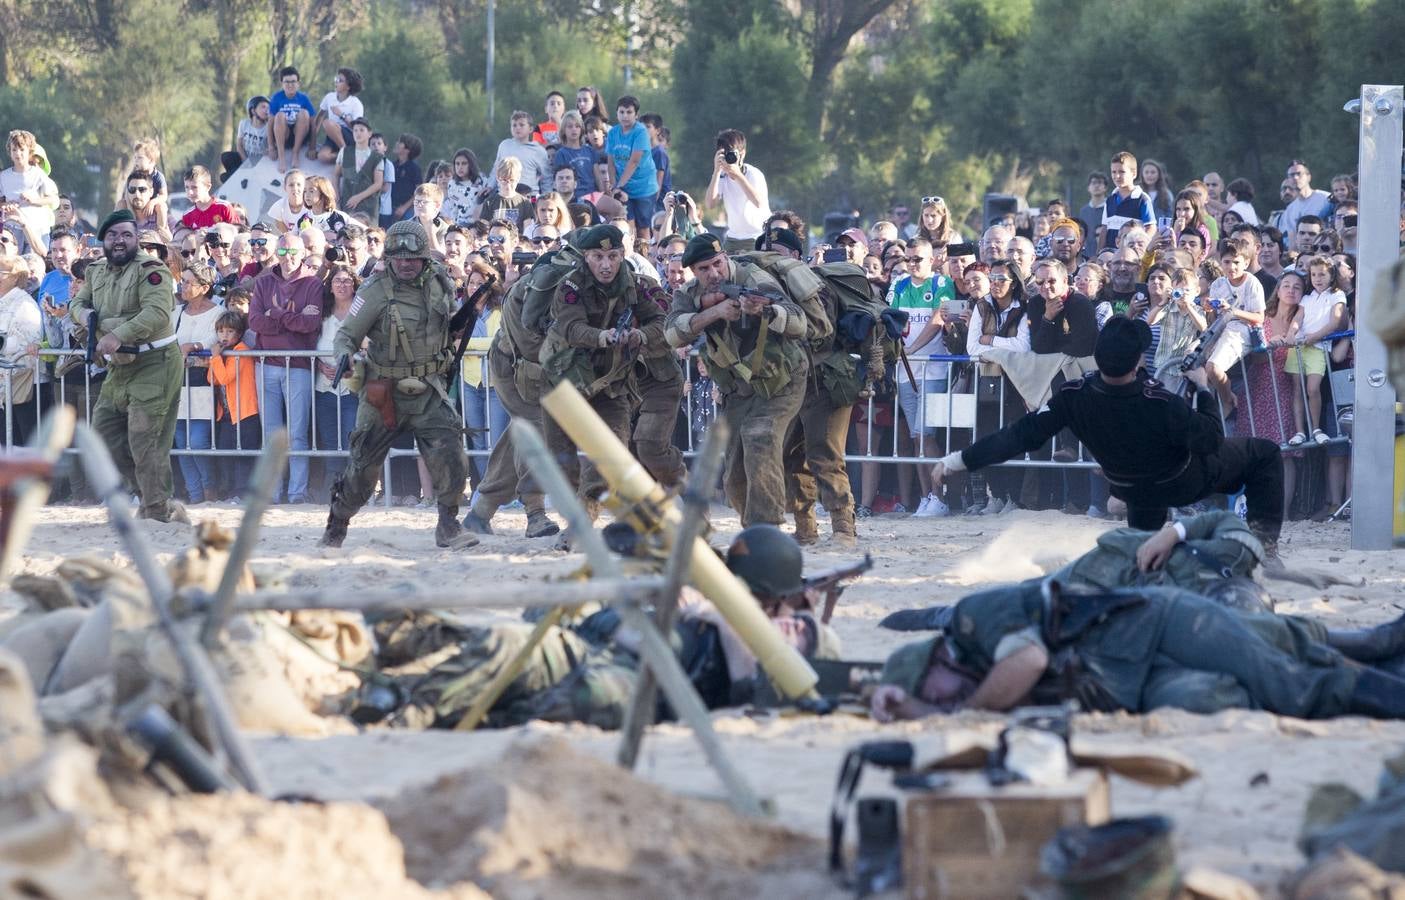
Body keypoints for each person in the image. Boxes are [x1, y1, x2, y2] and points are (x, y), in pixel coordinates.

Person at [369, 524, 838, 730]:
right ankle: (395, 680)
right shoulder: (711, 606)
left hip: (636, 683)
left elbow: (746, 681)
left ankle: (408, 711)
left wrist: (723, 612)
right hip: (599, 644)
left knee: (546, 682)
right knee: (497, 640)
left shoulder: (780, 637)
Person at [931, 315, 1285, 553]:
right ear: (1137, 362)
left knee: (1144, 547)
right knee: (1265, 453)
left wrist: (959, 459)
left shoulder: (1072, 396)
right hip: (1182, 478)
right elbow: (1209, 440)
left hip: (1131, 486)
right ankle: (1265, 548)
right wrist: (1204, 390)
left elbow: (1017, 436)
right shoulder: (1159, 400)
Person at [872, 566, 1405, 722]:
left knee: (1287, 681)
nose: (944, 701)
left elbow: (1029, 658)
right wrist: (922, 708)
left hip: (1164, 623)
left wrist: (961, 710)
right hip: (1134, 675)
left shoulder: (973, 622)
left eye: (935, 692)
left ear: (938, 661)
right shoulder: (972, 673)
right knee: (1221, 693)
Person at [319, 220, 476, 550]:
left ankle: (449, 524)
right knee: (362, 469)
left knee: (451, 455)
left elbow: (446, 321)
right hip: (383, 390)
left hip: (429, 388)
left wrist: (455, 329)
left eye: (412, 257)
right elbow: (346, 336)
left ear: (423, 258)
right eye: (398, 257)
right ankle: (337, 523)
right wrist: (345, 355)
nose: (405, 263)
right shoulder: (373, 291)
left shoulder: (439, 282)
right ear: (388, 257)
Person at [665, 234, 806, 526]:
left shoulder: (754, 278)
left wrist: (765, 311)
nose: (714, 273)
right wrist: (715, 311)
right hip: (740, 388)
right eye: (704, 269)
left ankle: (766, 528)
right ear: (694, 272)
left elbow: (798, 322)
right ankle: (752, 524)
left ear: (725, 257)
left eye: (717, 264)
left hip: (781, 379)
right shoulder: (690, 293)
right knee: (734, 477)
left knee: (760, 437)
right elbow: (672, 333)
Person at [536, 224, 677, 507]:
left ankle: (584, 518)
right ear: (585, 256)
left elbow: (661, 321)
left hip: (611, 384)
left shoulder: (636, 285)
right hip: (565, 382)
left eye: (613, 256)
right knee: (561, 461)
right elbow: (572, 328)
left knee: (611, 454)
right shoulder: (571, 286)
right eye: (597, 257)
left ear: (623, 254)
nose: (606, 265)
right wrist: (602, 337)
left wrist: (640, 335)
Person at [66, 210, 188, 522]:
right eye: (112, 235)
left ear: (135, 239)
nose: (119, 241)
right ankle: (151, 497)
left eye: (126, 234)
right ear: (103, 239)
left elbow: (158, 313)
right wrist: (88, 320)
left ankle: (157, 511)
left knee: (145, 438)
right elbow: (78, 303)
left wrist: (117, 333)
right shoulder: (96, 271)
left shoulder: (152, 269)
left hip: (155, 362)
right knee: (103, 437)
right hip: (118, 367)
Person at [249, 232, 324, 503]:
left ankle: (297, 492)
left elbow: (310, 326)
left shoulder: (312, 284)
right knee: (270, 434)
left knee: (297, 434)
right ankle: (271, 491)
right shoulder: (264, 282)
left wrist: (277, 314)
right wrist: (293, 318)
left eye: (292, 252)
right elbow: (255, 321)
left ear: (303, 253)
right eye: (282, 252)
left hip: (299, 366)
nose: (287, 258)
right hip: (266, 364)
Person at [171, 262, 223, 504]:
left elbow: (215, 338)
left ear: (204, 287)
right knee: (181, 441)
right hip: (178, 382)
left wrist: (195, 347)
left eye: (189, 282)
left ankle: (209, 488)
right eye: (183, 280)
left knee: (199, 440)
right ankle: (194, 494)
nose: (183, 285)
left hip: (203, 383)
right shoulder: (177, 313)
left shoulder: (217, 313)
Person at [1286, 255, 1348, 446]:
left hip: (1318, 347)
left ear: (1331, 275)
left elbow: (1335, 322)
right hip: (1299, 347)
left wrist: (1314, 337)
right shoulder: (1307, 297)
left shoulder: (1337, 295)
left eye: (1322, 274)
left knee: (1313, 388)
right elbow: (1298, 318)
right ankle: (1300, 431)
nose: (1317, 279)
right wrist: (1291, 333)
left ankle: (1316, 428)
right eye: (1313, 275)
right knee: (1297, 389)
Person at [1204, 237, 1267, 415]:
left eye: (1236, 262)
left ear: (1246, 262)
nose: (1231, 267)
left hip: (1242, 330)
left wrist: (1232, 311)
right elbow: (1214, 319)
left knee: (1213, 368)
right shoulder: (1218, 284)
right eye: (1227, 262)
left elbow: (1258, 317)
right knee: (1192, 360)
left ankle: (1227, 400)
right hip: (1220, 329)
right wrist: (1209, 309)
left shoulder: (1252, 283)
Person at [208, 309, 260, 499]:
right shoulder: (225, 354)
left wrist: (214, 358)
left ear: (239, 334)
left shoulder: (241, 351)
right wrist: (217, 358)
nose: (224, 336)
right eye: (221, 332)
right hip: (228, 414)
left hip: (245, 413)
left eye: (230, 332)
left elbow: (224, 378)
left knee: (243, 457)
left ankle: (242, 493)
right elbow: (211, 378)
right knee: (225, 455)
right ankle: (230, 492)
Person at [706, 129, 770, 253]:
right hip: (732, 237)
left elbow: (758, 203)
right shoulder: (721, 176)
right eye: (724, 154)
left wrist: (738, 175)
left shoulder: (753, 174)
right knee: (725, 268)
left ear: (742, 153)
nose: (728, 158)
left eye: (731, 153)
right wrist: (716, 172)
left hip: (756, 236)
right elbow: (710, 204)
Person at [1099, 150, 1154, 251]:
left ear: (1134, 173)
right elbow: (1105, 228)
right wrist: (1099, 252)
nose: (1117, 176)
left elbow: (1151, 227)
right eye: (1114, 172)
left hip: (1133, 255)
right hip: (1110, 254)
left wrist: (1143, 248)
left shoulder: (1142, 199)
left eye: (1122, 172)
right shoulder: (1110, 200)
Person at [309, 67, 365, 164]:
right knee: (322, 157)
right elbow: (318, 119)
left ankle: (346, 151)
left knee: (327, 123)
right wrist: (312, 146)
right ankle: (347, 155)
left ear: (348, 86)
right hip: (332, 136)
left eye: (340, 80)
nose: (336, 82)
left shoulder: (356, 103)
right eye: (336, 79)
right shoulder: (329, 97)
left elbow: (357, 129)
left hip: (349, 137)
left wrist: (341, 115)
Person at [334, 118, 384, 222]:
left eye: (361, 130)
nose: (358, 133)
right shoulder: (344, 151)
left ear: (369, 133)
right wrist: (336, 194)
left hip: (368, 206)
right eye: (355, 130)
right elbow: (336, 175)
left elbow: (378, 184)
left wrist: (358, 197)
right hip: (348, 203)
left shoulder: (376, 157)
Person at [269, 66, 316, 174]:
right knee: (280, 115)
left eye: (293, 81)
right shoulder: (277, 97)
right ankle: (282, 158)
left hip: (299, 136)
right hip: (283, 136)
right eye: (287, 82)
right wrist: (271, 147)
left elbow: (313, 123)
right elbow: (270, 123)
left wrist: (312, 147)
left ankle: (295, 153)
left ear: (298, 83)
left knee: (304, 113)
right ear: (282, 83)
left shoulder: (303, 98)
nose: (290, 85)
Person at [493, 111, 551, 197]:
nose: (517, 128)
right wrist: (489, 186)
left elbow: (547, 177)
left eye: (521, 125)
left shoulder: (538, 150)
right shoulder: (504, 145)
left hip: (530, 196)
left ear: (530, 129)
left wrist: (547, 197)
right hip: (505, 195)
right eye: (514, 125)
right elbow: (495, 169)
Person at [220, 95, 273, 183]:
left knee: (225, 177)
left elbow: (270, 149)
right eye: (263, 107)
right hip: (244, 157)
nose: (266, 110)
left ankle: (237, 178)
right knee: (226, 156)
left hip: (259, 161)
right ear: (253, 110)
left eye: (268, 107)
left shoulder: (269, 128)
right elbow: (239, 145)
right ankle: (237, 177)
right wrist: (245, 161)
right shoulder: (244, 123)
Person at [1280, 160, 1333, 239]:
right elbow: (1293, 242)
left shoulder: (1326, 198)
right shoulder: (1290, 210)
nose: (1295, 177)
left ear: (1308, 177)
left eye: (1299, 174)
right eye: (1291, 175)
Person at [177, 166, 236, 234]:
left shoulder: (224, 207)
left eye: (194, 187)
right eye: (187, 187)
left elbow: (238, 236)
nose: (190, 192)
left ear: (208, 187)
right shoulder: (187, 216)